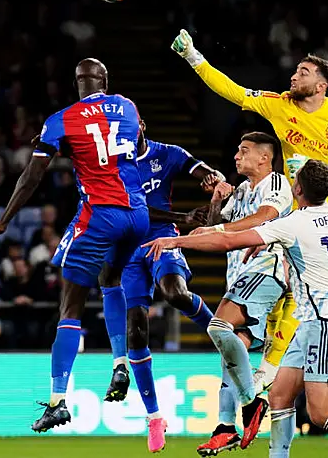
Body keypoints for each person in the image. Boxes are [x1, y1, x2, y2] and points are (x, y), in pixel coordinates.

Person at [172, 29, 328, 435]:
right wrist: (195, 56)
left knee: (296, 286)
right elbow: (236, 93)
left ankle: (268, 370)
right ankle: (268, 374)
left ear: (320, 84)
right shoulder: (281, 106)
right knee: (283, 283)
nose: (293, 75)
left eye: (302, 71)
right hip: (294, 209)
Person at [145, 160, 328, 458]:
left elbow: (228, 240)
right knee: (279, 395)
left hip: (325, 325)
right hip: (311, 323)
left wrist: (176, 240)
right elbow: (297, 241)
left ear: (297, 188)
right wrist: (273, 242)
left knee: (321, 413)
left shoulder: (294, 225)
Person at [0, 58, 151, 433]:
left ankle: (58, 402)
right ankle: (120, 363)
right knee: (111, 280)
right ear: (105, 79)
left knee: (70, 307)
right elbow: (137, 145)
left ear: (78, 84)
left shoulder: (62, 119)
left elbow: (32, 174)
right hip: (138, 215)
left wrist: (5, 219)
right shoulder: (128, 106)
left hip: (100, 215)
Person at [104, 125, 222, 452]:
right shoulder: (113, 165)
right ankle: (155, 417)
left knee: (175, 293)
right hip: (127, 248)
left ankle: (222, 336)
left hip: (163, 239)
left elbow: (192, 164)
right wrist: (184, 215)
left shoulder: (164, 153)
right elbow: (133, 209)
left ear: (140, 125)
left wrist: (209, 175)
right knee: (136, 333)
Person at [194, 132, 293, 454]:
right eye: (237, 150)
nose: (237, 156)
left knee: (218, 327)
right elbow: (213, 226)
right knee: (231, 350)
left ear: (265, 158)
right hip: (239, 276)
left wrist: (218, 229)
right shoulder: (240, 193)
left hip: (264, 270)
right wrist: (217, 203)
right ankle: (225, 426)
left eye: (244, 151)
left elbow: (266, 217)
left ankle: (252, 404)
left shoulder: (275, 183)